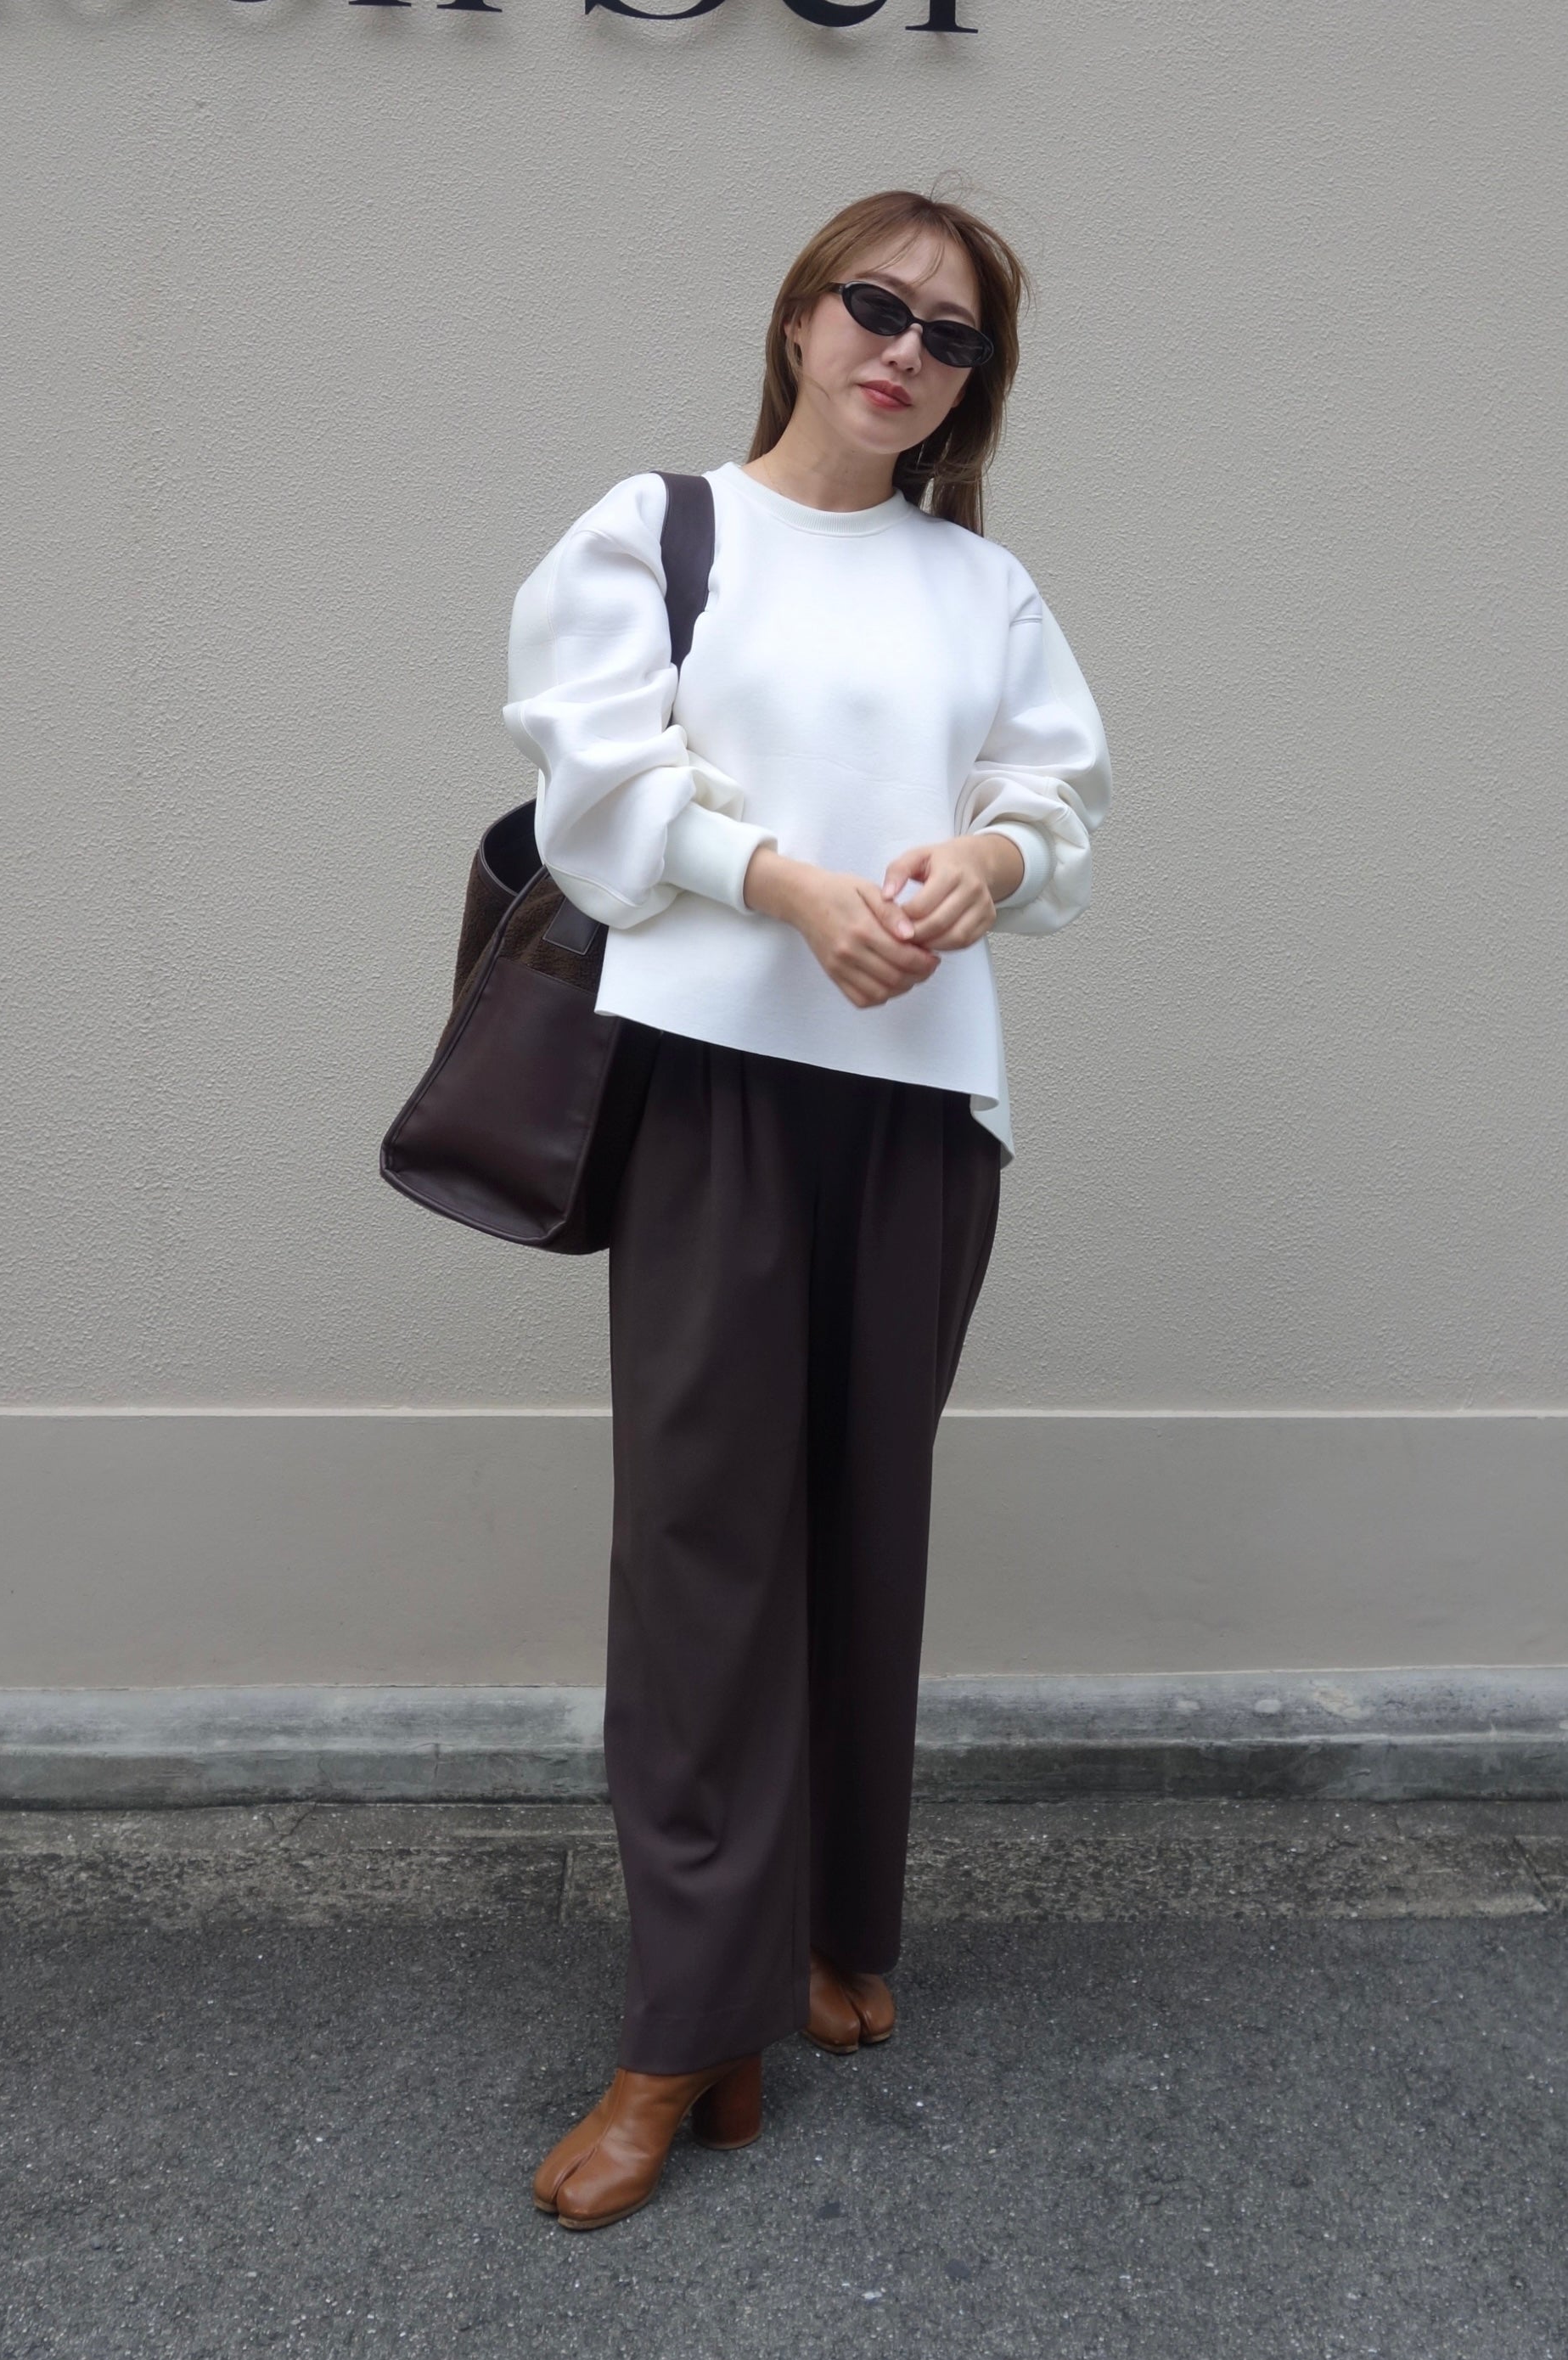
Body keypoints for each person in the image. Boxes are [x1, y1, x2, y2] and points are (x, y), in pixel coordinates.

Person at [502, 187, 1112, 2233]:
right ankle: (689, 2029)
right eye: (877, 306)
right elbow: (597, 792)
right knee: (704, 1549)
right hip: (719, 1089)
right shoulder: (658, 530)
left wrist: (985, 868)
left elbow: (1056, 794)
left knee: (867, 1527)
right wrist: (787, 885)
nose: (905, 352)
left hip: (925, 1103)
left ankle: (838, 1928)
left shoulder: (978, 585)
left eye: (953, 337)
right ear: (795, 317)